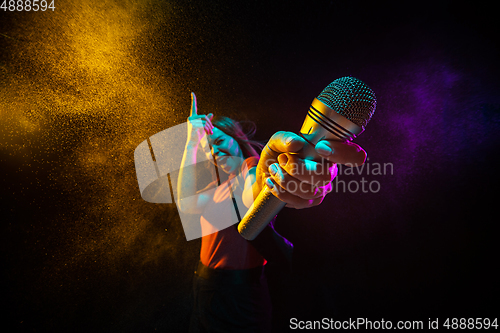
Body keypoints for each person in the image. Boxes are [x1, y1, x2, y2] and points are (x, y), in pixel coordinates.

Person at [177, 93, 366, 332]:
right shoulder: (216, 188)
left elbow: (254, 189)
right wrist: (192, 143)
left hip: (239, 297)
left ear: (236, 139)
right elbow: (185, 203)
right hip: (204, 287)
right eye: (208, 149)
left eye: (219, 141)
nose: (214, 151)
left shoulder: (251, 168)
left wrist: (269, 183)